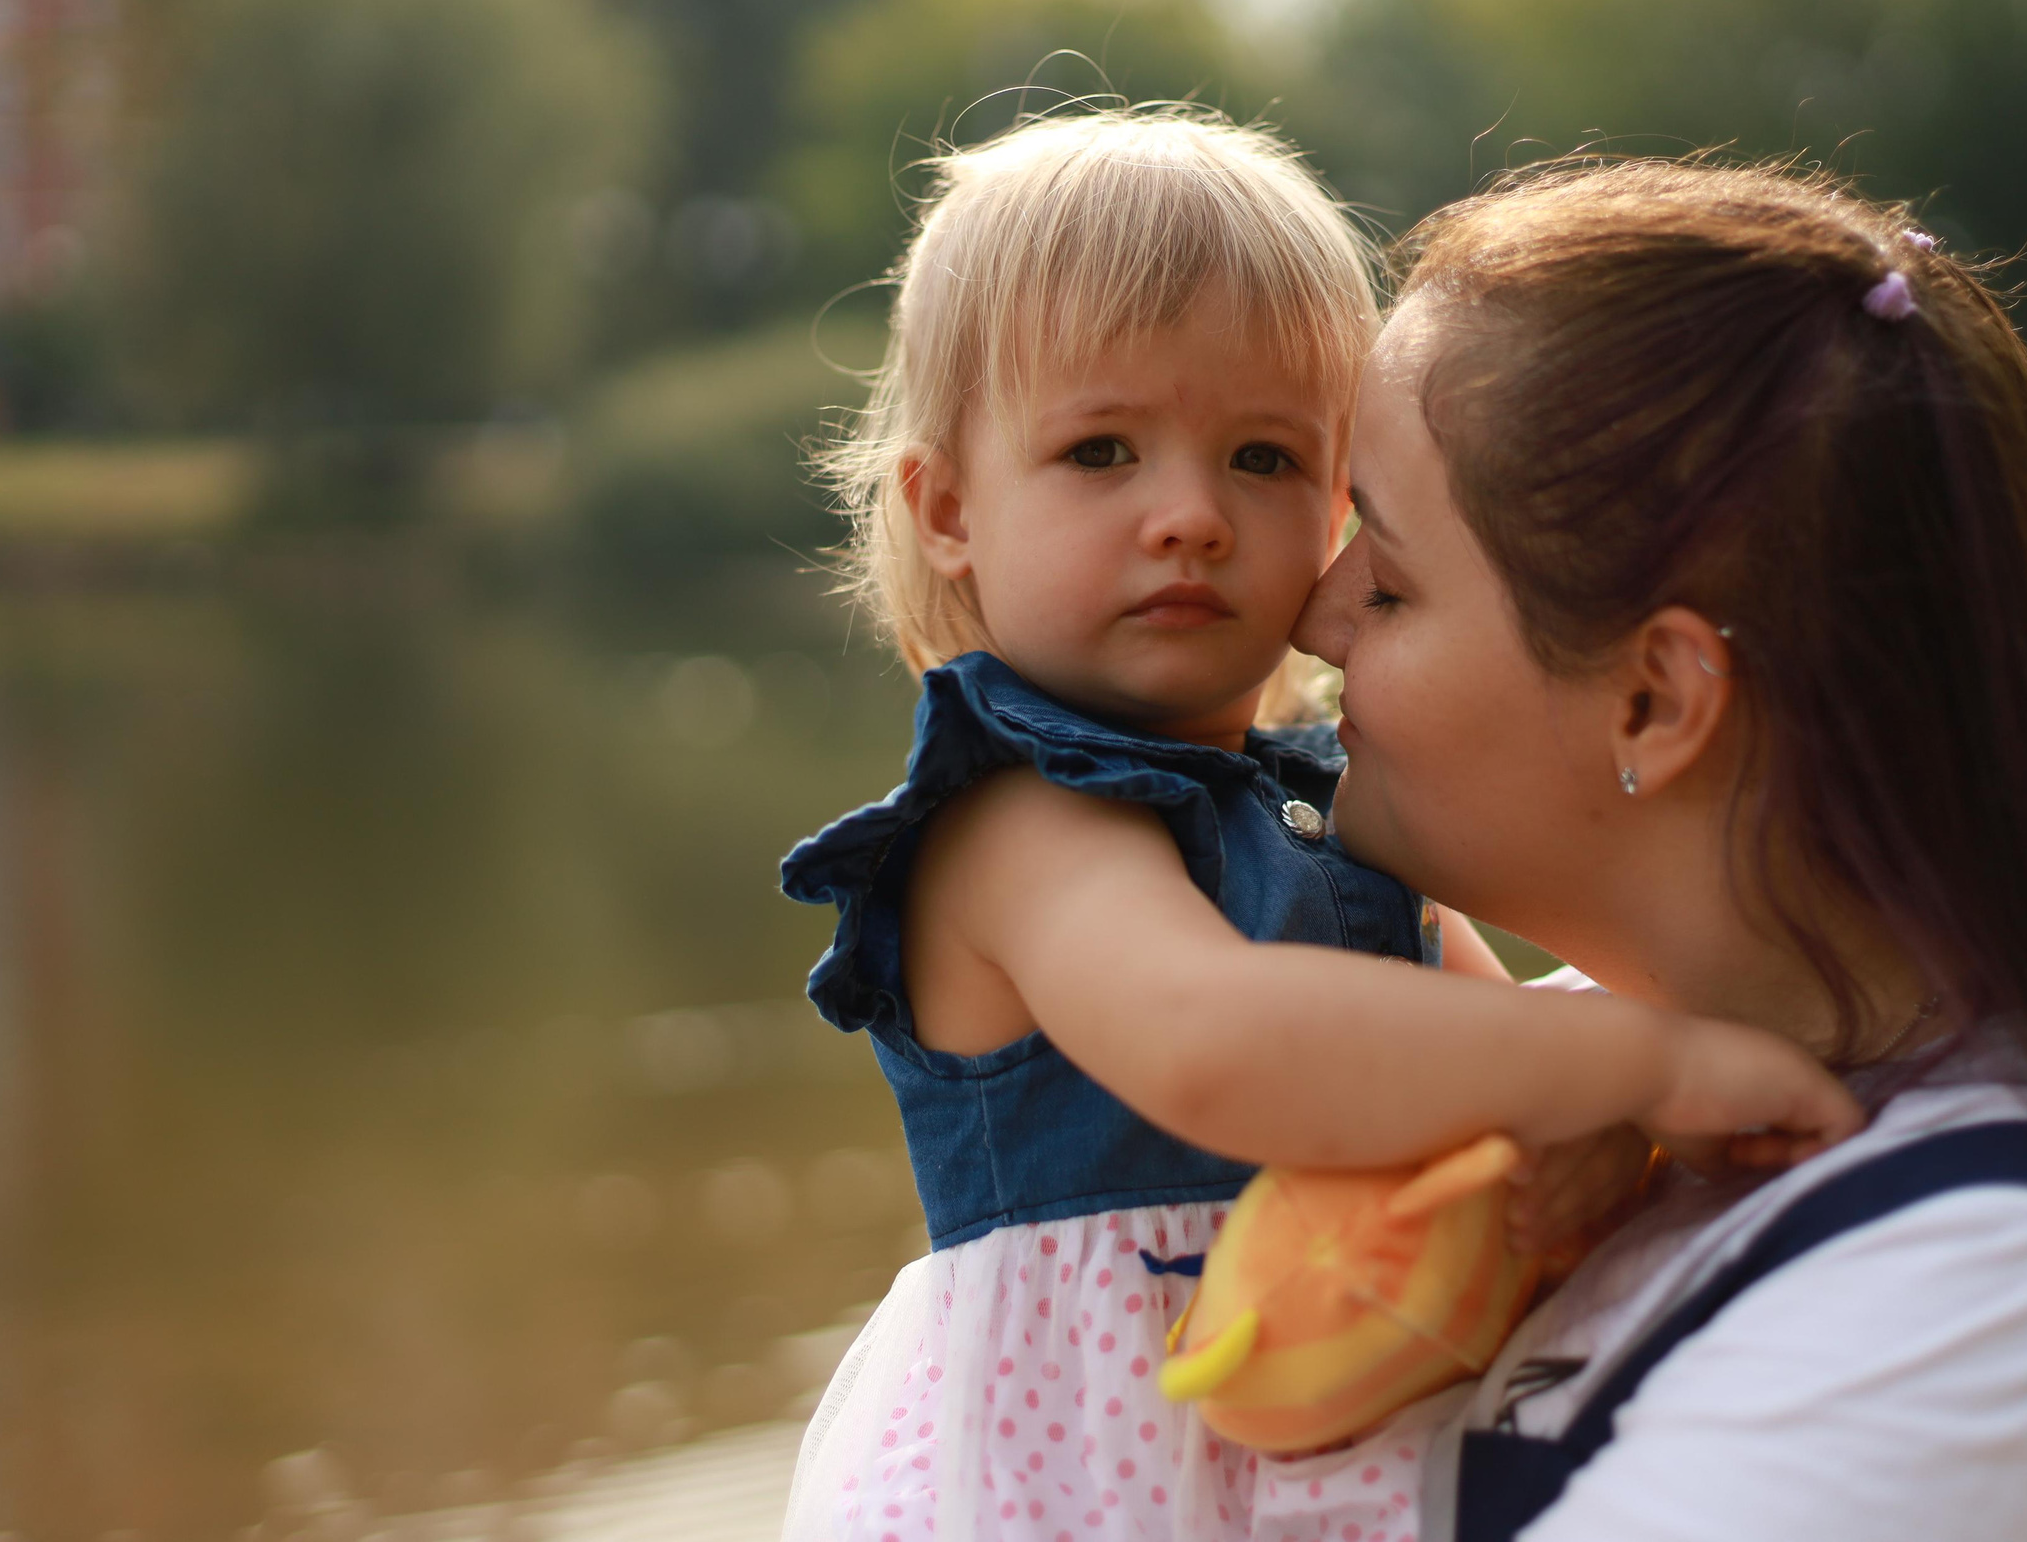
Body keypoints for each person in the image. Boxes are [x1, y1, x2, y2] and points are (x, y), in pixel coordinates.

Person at [1284, 156, 2027, 1541]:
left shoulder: (2016, 1316)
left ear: (1657, 699)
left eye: (1393, 578)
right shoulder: (1612, 1079)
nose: (1314, 615)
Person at [776, 112, 1861, 1542]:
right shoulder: (1015, 821)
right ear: (948, 509)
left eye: (1265, 460)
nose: (1191, 516)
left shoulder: (1327, 824)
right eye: (1103, 450)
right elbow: (1218, 1043)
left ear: (1341, 501)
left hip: (1347, 1448)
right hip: (1100, 1484)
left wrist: (1593, 1125)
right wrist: (1639, 1056)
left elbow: (1488, 1048)